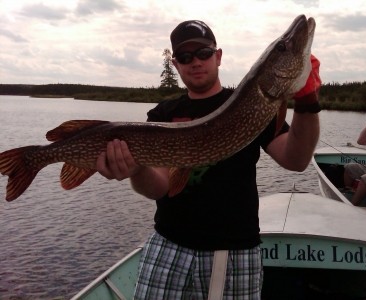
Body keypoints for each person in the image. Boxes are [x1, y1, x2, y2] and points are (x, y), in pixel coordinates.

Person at [96, 20, 321, 299]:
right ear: (176, 65)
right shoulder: (163, 115)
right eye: (185, 57)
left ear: (218, 56)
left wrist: (308, 102)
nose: (195, 62)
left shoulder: (253, 104)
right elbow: (159, 187)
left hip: (236, 250)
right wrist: (135, 169)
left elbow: (296, 160)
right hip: (169, 244)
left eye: (203, 53)